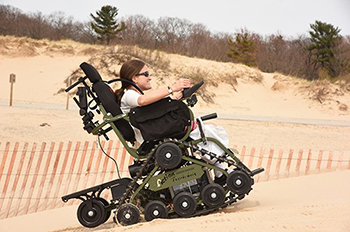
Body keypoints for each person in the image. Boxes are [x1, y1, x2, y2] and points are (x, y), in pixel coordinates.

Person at [115, 59, 229, 183]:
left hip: (152, 132)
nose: (150, 78)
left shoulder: (134, 95)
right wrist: (172, 88)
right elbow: (143, 101)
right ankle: (220, 172)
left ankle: (220, 170)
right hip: (149, 137)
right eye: (146, 74)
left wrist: (175, 98)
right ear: (134, 78)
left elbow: (153, 112)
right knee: (202, 129)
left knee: (205, 127)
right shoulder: (129, 95)